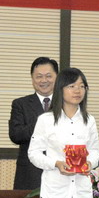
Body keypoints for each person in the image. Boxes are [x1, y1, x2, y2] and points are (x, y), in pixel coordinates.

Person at [28, 67, 99, 198]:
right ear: (60, 89)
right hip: (55, 194)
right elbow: (34, 153)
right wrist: (56, 164)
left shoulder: (89, 120)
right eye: (72, 86)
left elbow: (95, 151)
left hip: (82, 195)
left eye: (82, 86)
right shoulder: (46, 120)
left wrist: (89, 163)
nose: (78, 90)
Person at [9, 57, 59, 190]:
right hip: (30, 174)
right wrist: (43, 122)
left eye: (48, 76)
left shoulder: (66, 105)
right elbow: (16, 135)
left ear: (57, 77)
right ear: (32, 79)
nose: (44, 80)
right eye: (39, 76)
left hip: (59, 172)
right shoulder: (20, 104)